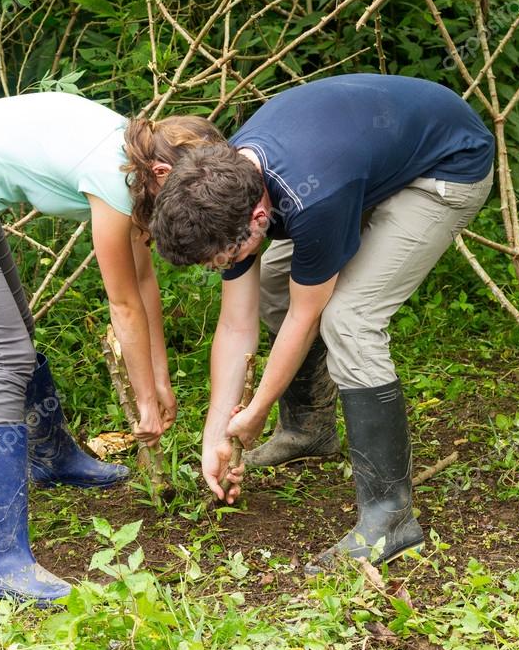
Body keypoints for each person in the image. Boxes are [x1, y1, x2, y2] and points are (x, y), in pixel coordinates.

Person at [0, 93, 220, 604]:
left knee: (16, 331)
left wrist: (160, 381)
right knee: (5, 357)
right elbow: (123, 305)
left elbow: (144, 280)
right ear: (164, 172)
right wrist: (145, 400)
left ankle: (52, 458)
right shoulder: (115, 177)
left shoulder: (137, 154)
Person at [149, 74, 495, 571]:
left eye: (222, 258)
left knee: (349, 319)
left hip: (444, 167)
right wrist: (216, 431)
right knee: (272, 284)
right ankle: (309, 430)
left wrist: (255, 411)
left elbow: (307, 315)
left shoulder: (314, 198)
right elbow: (235, 325)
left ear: (259, 219)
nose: (220, 269)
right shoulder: (225, 182)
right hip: (362, 159)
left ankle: (391, 515)